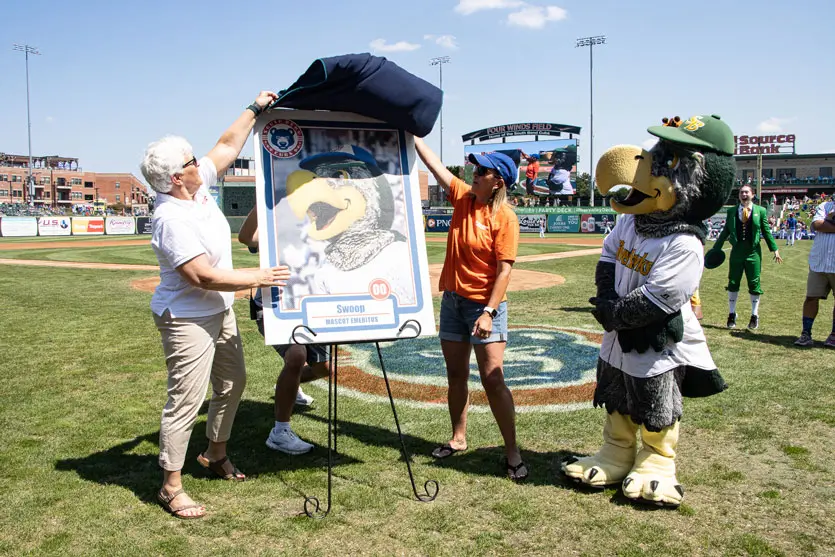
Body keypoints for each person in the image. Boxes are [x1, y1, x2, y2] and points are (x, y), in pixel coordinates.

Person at [141, 91, 291, 519]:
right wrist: (259, 277)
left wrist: (254, 108)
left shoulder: (197, 188)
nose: (197, 163)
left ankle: (215, 453)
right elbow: (203, 275)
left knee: (232, 383)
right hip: (187, 317)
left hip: (218, 310)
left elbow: (226, 146)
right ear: (174, 178)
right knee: (185, 400)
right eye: (189, 162)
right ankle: (171, 485)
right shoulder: (170, 219)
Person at [414, 136, 527, 482]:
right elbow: (434, 165)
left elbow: (505, 270)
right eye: (474, 169)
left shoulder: (505, 218)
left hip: (484, 307)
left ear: (499, 181)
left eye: (483, 170)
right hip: (453, 302)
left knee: (494, 381)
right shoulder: (462, 196)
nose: (474, 173)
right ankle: (458, 438)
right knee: (456, 375)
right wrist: (412, 133)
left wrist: (489, 312)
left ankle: (512, 452)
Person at [238, 207, 330, 454]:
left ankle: (288, 385)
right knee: (296, 356)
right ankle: (280, 432)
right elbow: (246, 237)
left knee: (324, 369)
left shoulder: (323, 234)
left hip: (313, 308)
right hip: (275, 306)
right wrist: (260, 203)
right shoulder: (275, 233)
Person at [712, 184, 782, 330]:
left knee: (754, 283)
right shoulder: (731, 211)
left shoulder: (761, 211)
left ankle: (754, 315)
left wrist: (774, 249)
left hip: (753, 252)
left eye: (746, 192)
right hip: (736, 251)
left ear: (752, 194)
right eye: (741, 192)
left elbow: (766, 231)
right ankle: (732, 314)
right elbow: (725, 232)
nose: (743, 194)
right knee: (733, 281)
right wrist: (715, 249)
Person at [794, 198, 835, 347]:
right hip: (819, 262)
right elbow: (817, 224)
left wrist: (829, 220)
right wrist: (827, 220)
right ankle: (806, 334)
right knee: (811, 298)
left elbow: (823, 224)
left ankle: (834, 335)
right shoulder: (824, 205)